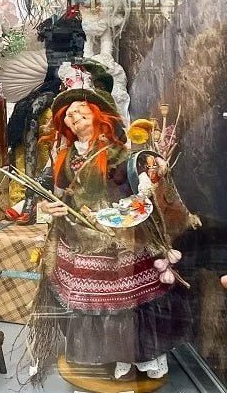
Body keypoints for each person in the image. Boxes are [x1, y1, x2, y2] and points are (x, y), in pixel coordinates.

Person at [27, 61, 195, 384]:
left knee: (132, 298)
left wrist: (144, 179)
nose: (76, 119)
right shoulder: (66, 156)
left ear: (97, 115)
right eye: (70, 116)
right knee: (103, 303)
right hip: (81, 233)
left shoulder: (113, 150)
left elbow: (127, 176)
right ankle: (118, 355)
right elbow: (59, 191)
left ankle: (147, 355)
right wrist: (52, 206)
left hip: (119, 228)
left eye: (81, 113)